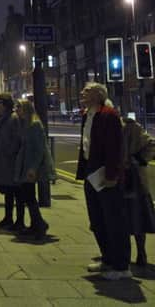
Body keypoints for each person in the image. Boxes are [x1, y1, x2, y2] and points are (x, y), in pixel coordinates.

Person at [76, 82, 131, 280]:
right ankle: (108, 259)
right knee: (97, 220)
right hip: (91, 173)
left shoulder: (109, 115)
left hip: (106, 175)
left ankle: (122, 266)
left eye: (87, 91)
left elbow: (115, 149)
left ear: (98, 95)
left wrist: (111, 176)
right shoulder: (87, 114)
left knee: (114, 220)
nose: (82, 93)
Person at [13, 99, 52, 239]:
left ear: (26, 109)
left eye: (19, 107)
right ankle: (37, 224)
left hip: (31, 167)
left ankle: (40, 225)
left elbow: (40, 149)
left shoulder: (35, 125)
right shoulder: (25, 124)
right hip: (25, 165)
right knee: (28, 197)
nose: (16, 110)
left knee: (29, 197)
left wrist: (33, 168)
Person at [121, 116, 155, 266]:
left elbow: (151, 144)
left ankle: (141, 252)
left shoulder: (131, 127)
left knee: (138, 216)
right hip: (117, 180)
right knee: (123, 218)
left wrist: (137, 159)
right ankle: (124, 254)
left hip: (135, 181)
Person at [0, 93, 24, 231]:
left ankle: (19, 221)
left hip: (11, 161)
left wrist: (9, 152)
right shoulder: (0, 118)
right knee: (8, 192)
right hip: (2, 160)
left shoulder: (13, 118)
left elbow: (17, 139)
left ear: (5, 105)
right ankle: (8, 218)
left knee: (17, 193)